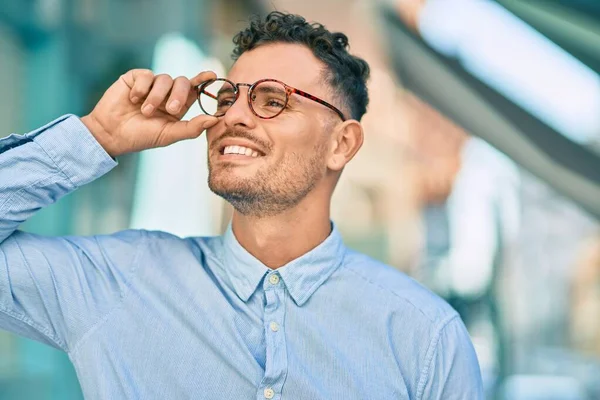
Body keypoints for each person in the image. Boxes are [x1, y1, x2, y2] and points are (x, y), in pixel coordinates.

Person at [0, 11, 483, 400]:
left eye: (273, 100)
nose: (232, 116)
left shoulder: (425, 337)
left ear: (342, 143)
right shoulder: (112, 282)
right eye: (228, 96)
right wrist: (97, 137)